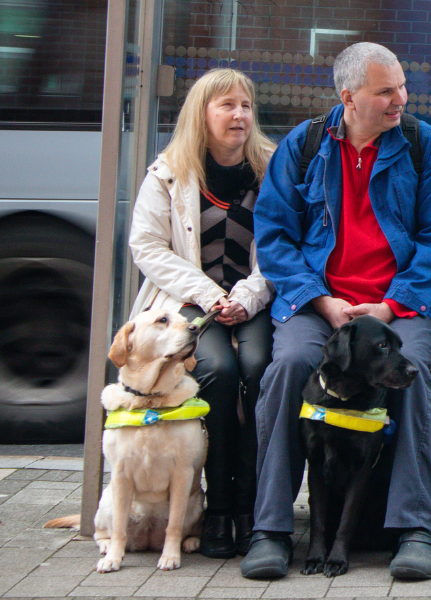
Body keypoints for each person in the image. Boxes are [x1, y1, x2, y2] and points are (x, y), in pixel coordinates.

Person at [242, 42, 431, 580]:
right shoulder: (305, 145)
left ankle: (414, 528)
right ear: (349, 97)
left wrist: (389, 307)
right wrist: (320, 300)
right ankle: (270, 529)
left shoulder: (424, 147)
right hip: (319, 305)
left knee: (409, 376)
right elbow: (273, 239)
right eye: (386, 91)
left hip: (399, 307)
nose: (400, 100)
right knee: (289, 368)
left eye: (402, 87)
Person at [127, 67, 275, 560]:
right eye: (227, 106)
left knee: (260, 369)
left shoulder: (272, 169)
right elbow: (146, 245)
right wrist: (211, 296)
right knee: (217, 368)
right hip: (190, 302)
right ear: (201, 114)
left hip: (256, 298)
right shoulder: (168, 172)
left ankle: (253, 507)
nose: (240, 115)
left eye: (246, 106)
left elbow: (284, 246)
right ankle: (218, 509)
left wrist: (247, 297)